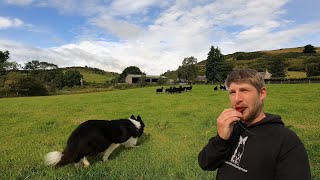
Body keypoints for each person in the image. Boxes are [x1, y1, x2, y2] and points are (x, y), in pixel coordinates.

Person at [198, 69, 311, 180]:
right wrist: (221, 139)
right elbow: (205, 164)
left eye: (244, 90)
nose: (237, 99)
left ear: (262, 94)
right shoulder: (232, 128)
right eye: (232, 92)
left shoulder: (286, 140)